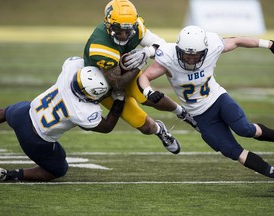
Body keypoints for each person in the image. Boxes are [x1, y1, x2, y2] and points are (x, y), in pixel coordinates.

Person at [138, 25, 274, 180]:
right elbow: (144, 77)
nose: (190, 59)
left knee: (245, 129)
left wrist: (270, 44)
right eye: (186, 55)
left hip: (218, 99)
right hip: (201, 116)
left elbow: (238, 41)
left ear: (204, 51)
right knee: (231, 151)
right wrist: (149, 92)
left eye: (195, 56)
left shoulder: (212, 45)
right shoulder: (168, 57)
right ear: (178, 50)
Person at [83, 0, 197, 155]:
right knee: (143, 125)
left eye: (127, 30)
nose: (123, 35)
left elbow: (163, 45)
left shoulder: (137, 28)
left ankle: (183, 113)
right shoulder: (100, 46)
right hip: (104, 85)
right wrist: (139, 64)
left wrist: (148, 52)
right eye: (118, 30)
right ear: (108, 25)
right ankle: (160, 130)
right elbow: (117, 84)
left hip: (124, 72)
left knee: (149, 97)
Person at [0, 56, 125, 182]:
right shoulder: (82, 111)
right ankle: (9, 174)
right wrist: (119, 99)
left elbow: (86, 58)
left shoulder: (71, 69)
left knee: (4, 112)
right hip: (35, 139)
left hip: (23, 113)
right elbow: (107, 126)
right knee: (59, 169)